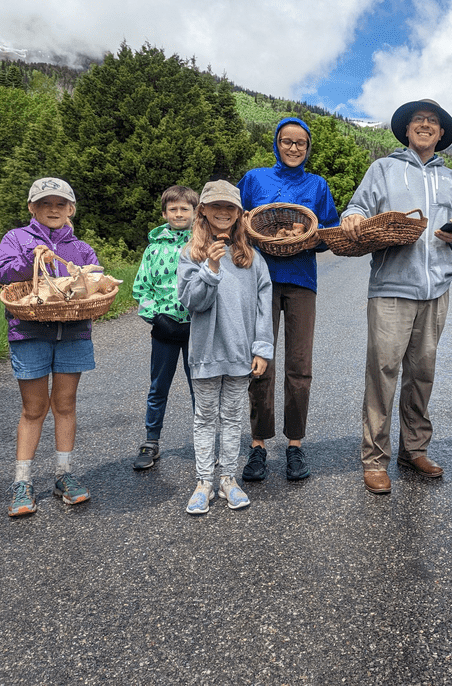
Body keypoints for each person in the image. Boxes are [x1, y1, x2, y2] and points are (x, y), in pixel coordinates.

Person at [341, 98, 452, 495]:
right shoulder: (383, 169)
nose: (425, 125)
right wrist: (352, 217)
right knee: (382, 373)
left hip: (437, 291)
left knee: (423, 373)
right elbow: (358, 207)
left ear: (441, 133)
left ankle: (414, 449)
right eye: (419, 120)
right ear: (407, 129)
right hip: (391, 289)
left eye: (432, 121)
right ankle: (374, 459)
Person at [237, 118, 339, 482]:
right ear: (276, 144)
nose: (294, 148)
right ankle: (258, 444)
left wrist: (309, 237)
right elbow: (235, 220)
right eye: (287, 141)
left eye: (300, 143)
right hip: (260, 280)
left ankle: (295, 444)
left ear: (308, 148)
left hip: (301, 281)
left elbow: (330, 232)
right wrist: (245, 227)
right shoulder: (255, 179)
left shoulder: (317, 185)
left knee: (299, 366)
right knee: (259, 363)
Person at [0, 177, 99, 517]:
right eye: (44, 204)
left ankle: (63, 475)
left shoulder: (80, 249)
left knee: (65, 404)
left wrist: (87, 279)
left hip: (73, 331)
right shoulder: (16, 239)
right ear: (32, 208)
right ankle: (22, 481)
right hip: (29, 332)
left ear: (71, 209)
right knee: (34, 408)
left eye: (60, 204)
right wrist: (30, 258)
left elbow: (94, 281)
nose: (52, 209)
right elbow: (1, 272)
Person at [177, 180, 273, 513]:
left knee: (232, 418)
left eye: (229, 207)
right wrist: (211, 268)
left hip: (239, 353)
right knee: (204, 418)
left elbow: (264, 306)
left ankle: (228, 479)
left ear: (239, 214)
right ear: (202, 210)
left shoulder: (251, 258)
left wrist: (262, 348)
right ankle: (204, 481)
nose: (222, 212)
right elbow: (192, 302)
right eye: (215, 206)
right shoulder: (191, 254)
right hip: (205, 353)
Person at [131, 185, 198, 470]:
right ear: (164, 213)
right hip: (164, 329)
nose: (179, 213)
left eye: (185, 209)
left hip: (198, 328)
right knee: (159, 386)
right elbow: (141, 287)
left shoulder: (201, 243)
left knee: (200, 387)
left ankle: (205, 442)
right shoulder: (154, 248)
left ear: (195, 213)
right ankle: (151, 440)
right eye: (173, 209)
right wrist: (155, 317)